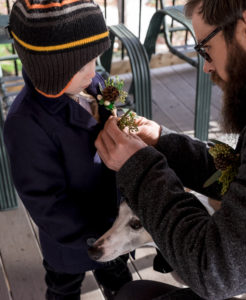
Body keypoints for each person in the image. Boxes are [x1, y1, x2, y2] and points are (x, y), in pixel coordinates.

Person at [94, 0, 246, 299]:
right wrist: (162, 142)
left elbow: (212, 271)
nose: (207, 66)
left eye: (205, 48)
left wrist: (139, 167)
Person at [3, 0, 132, 299]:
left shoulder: (91, 81)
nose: (94, 71)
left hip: (113, 217)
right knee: (63, 286)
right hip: (72, 239)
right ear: (52, 70)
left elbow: (118, 99)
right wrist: (92, 237)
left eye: (95, 60)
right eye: (84, 64)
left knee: (119, 277)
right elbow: (45, 201)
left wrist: (125, 117)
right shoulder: (25, 123)